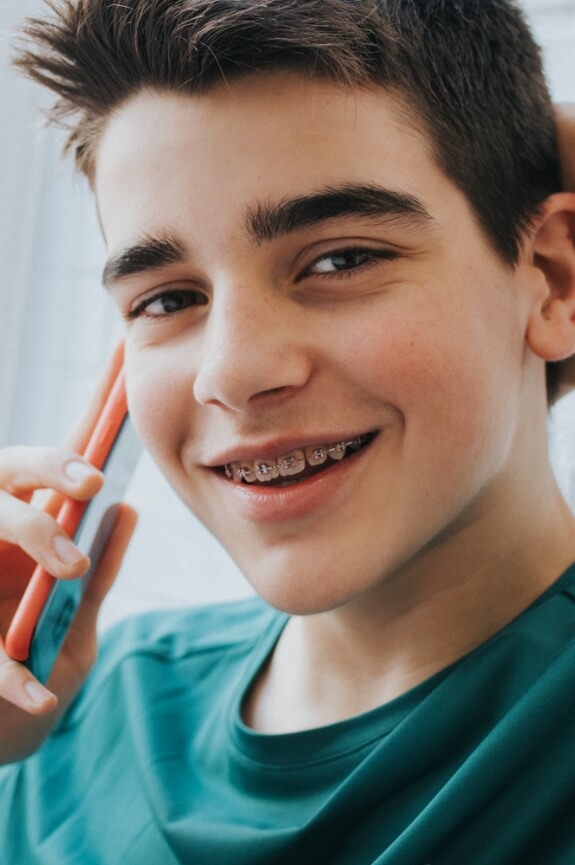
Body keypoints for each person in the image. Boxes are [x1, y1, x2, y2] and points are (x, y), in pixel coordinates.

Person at [1, 1, 575, 862]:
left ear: (553, 280)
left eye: (340, 259)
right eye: (168, 298)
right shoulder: (63, 716)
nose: (229, 372)